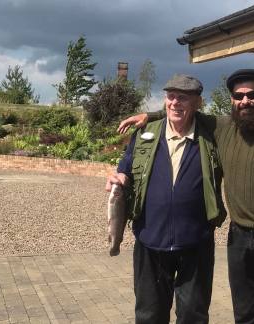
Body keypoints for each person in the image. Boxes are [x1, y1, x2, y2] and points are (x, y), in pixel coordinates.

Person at [118, 69, 254, 324]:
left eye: (252, 94)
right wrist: (150, 115)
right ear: (232, 99)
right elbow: (180, 110)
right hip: (238, 237)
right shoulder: (222, 128)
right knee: (244, 312)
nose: (245, 101)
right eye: (239, 95)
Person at [106, 74, 226, 324]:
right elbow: (125, 167)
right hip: (150, 241)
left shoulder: (211, 135)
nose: (175, 103)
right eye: (171, 96)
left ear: (198, 103)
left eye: (183, 97)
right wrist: (118, 177)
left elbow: (242, 127)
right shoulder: (145, 134)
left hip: (196, 244)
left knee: (193, 315)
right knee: (149, 315)